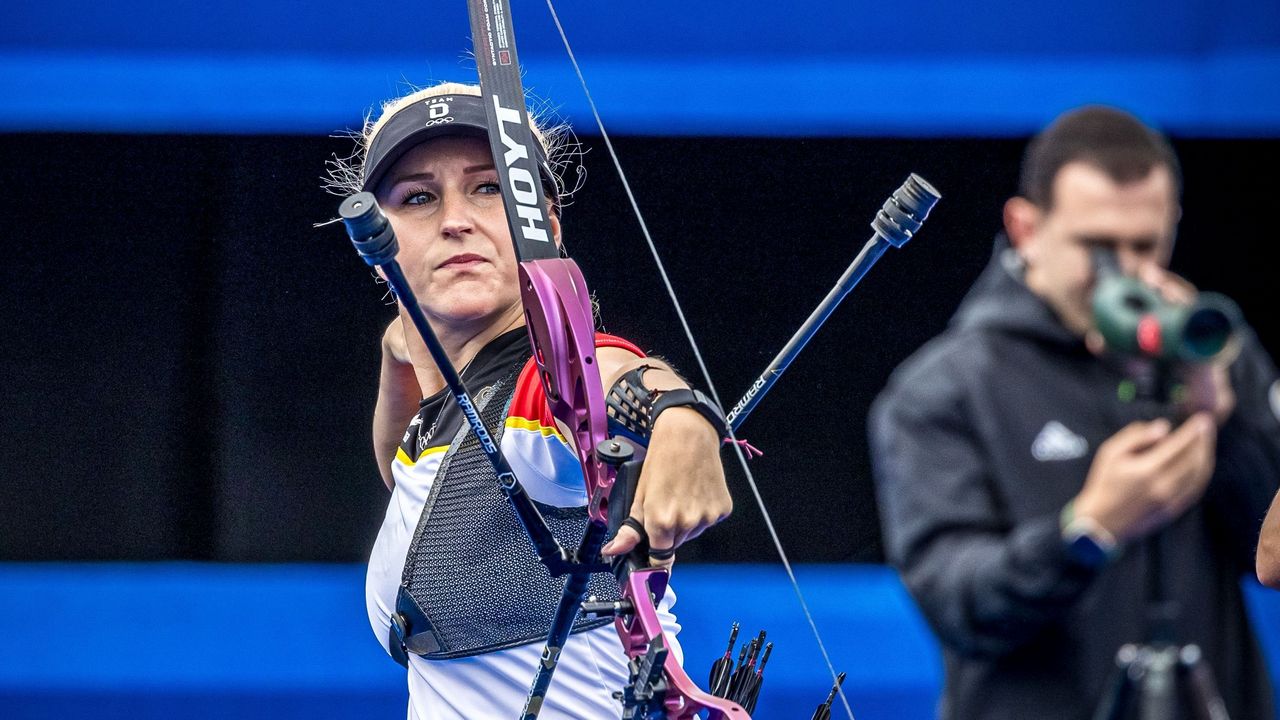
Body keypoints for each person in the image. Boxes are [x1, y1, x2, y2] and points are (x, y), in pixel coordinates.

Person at [333, 82, 734, 719]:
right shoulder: (444, 414)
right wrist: (402, 350)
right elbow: (402, 465)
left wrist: (682, 421)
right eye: (419, 198)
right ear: (378, 250)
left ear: (542, 229)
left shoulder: (531, 402)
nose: (455, 219)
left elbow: (604, 381)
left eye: (489, 188)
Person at [869, 106, 1280, 720]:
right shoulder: (942, 389)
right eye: (1098, 247)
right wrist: (1087, 529)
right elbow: (959, 605)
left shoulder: (1211, 346)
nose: (1126, 272)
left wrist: (1225, 418)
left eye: (1145, 244)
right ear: (1027, 228)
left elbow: (1270, 556)